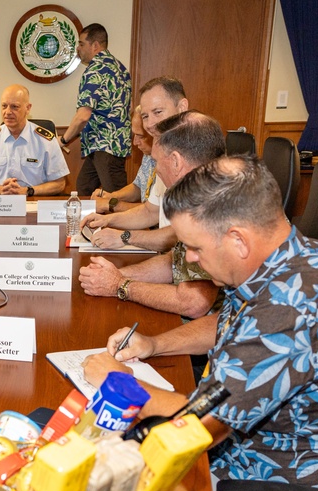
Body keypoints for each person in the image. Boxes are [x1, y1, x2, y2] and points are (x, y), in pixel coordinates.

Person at [84, 156, 318, 491]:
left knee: (96, 489)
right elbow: (232, 325)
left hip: (271, 486)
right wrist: (154, 344)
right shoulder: (294, 256)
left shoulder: (289, 308)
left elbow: (196, 424)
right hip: (249, 450)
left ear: (238, 240)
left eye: (195, 247)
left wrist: (116, 380)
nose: (190, 258)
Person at [79, 111, 223, 319]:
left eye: (156, 161)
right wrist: (114, 275)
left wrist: (120, 285)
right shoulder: (200, 190)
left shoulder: (210, 205)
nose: (155, 170)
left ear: (175, 161)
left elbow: (194, 302)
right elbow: (175, 262)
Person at [80, 76, 190, 252]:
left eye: (158, 112)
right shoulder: (163, 153)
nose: (150, 124)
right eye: (146, 116)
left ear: (182, 107)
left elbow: (181, 234)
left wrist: (124, 237)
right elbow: (150, 212)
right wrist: (108, 220)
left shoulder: (196, 153)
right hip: (169, 259)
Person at [59, 24, 132, 196]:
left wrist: (63, 140)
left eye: (82, 44)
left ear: (95, 45)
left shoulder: (95, 69)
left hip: (105, 145)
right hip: (106, 145)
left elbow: (83, 115)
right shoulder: (120, 68)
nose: (78, 48)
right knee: (84, 189)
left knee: (116, 198)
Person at [0, 84, 68, 196]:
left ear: (28, 108)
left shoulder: (46, 140)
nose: (7, 112)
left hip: (33, 202)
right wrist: (1, 190)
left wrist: (28, 191)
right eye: (4, 106)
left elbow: (59, 183)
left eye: (14, 107)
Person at [92, 108, 152, 214]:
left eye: (141, 136)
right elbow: (138, 187)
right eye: (134, 135)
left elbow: (154, 212)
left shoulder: (172, 161)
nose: (135, 142)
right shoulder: (148, 154)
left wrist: (110, 204)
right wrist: (111, 196)